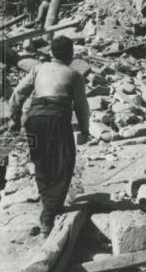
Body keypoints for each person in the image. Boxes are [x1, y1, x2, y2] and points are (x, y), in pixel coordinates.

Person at [9, 34, 90, 237]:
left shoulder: (38, 69)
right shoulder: (74, 75)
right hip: (57, 119)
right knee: (64, 162)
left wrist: (14, 119)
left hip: (34, 120)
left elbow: (18, 94)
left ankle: (49, 205)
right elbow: (81, 106)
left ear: (52, 53)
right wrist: (85, 129)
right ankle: (49, 216)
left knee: (42, 162)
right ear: (70, 55)